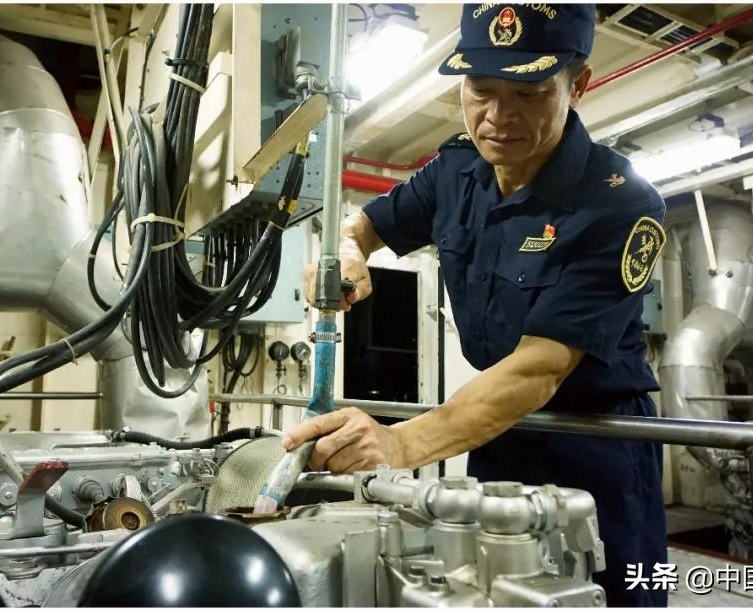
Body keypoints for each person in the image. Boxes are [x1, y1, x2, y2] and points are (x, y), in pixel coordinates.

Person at [286, 4, 668, 606]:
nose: (498, 117)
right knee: (487, 588)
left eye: (530, 93)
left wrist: (396, 444)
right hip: (493, 430)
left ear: (579, 84)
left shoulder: (617, 204)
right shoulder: (458, 169)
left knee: (602, 595)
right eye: (480, 90)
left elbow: (538, 370)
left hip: (595, 444)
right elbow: (363, 224)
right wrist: (347, 253)